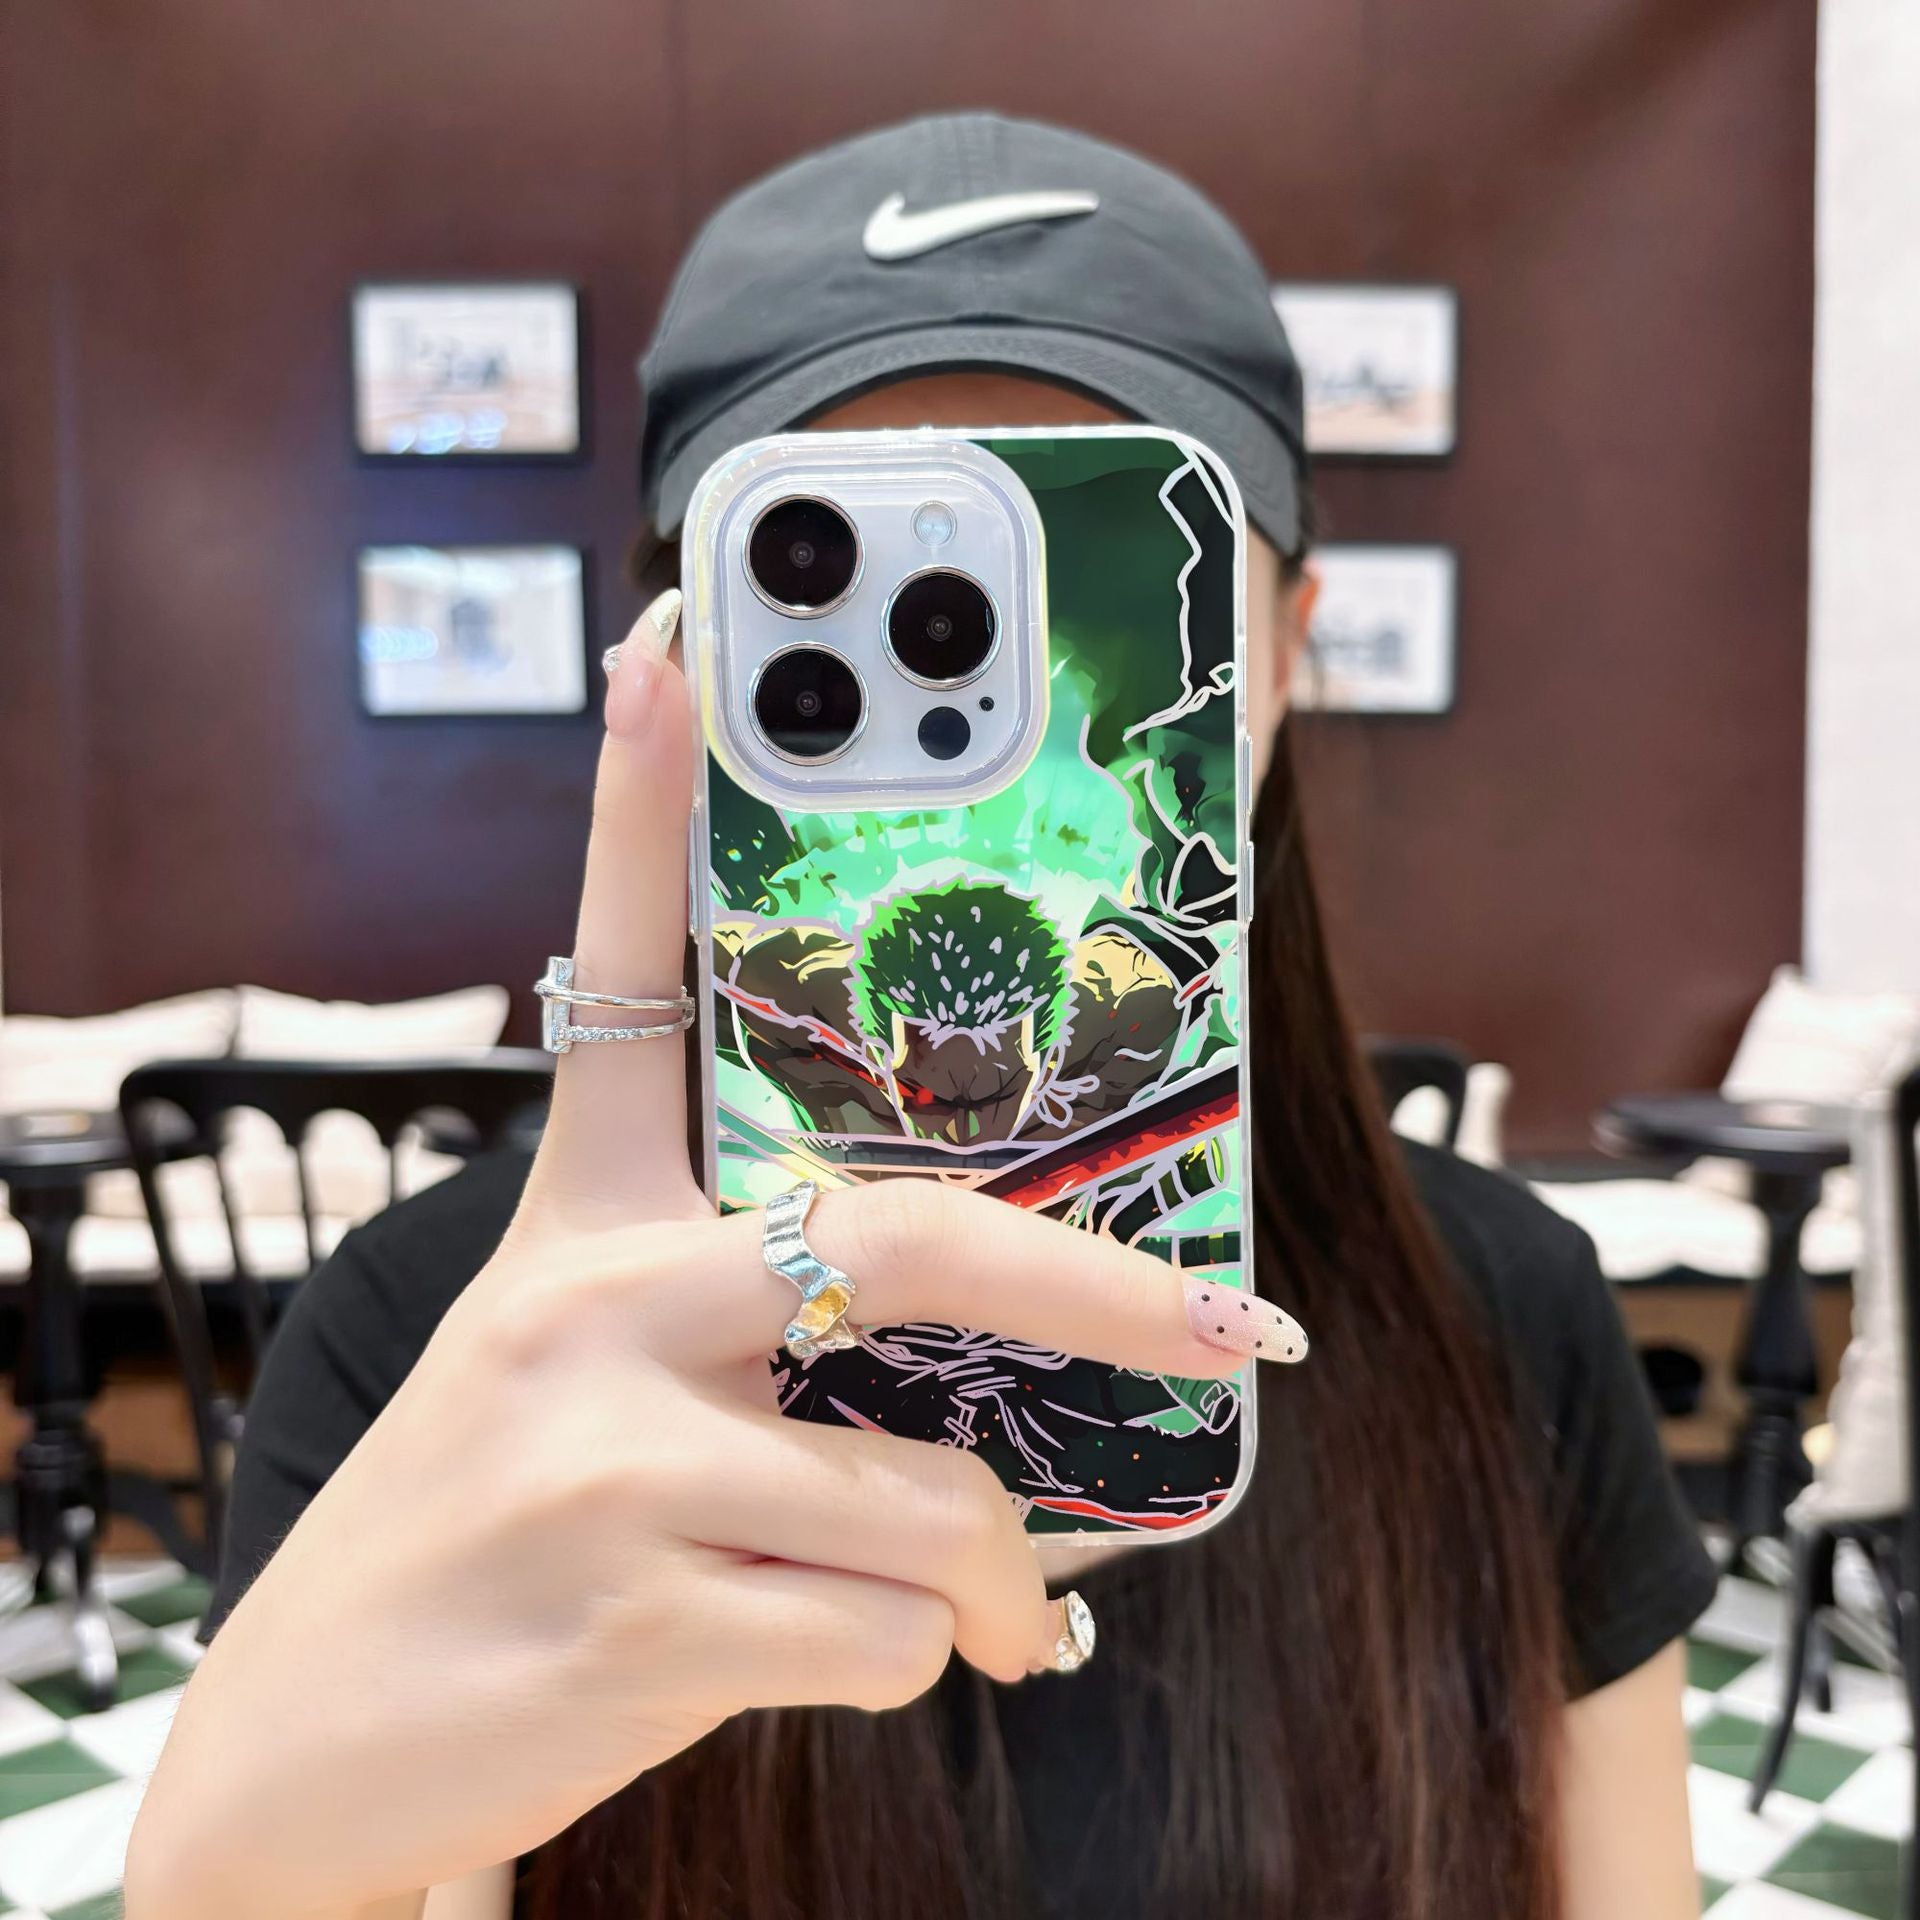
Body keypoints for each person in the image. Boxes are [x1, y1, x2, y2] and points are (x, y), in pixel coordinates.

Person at [126, 114, 1715, 1920]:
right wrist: (242, 1870)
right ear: (678, 657)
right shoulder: (438, 1346)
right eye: (818, 590)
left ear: (1281, 648)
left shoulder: (1509, 1318)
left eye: (1098, 581)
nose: (1000, 754)